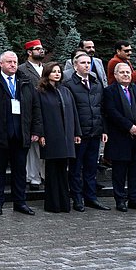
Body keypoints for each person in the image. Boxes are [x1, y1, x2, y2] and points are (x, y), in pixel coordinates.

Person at [0, 51, 41, 216]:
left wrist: (35, 130)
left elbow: (35, 107)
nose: (13, 65)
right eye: (9, 62)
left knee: (20, 171)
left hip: (21, 134)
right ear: (1, 64)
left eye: (15, 62)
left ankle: (20, 202)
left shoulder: (25, 81)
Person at [61, 52, 110, 211]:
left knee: (91, 167)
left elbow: (102, 108)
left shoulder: (96, 83)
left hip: (95, 132)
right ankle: (77, 198)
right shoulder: (69, 84)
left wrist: (103, 129)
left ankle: (91, 197)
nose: (87, 66)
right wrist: (75, 132)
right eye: (83, 63)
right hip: (79, 134)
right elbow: (70, 111)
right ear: (75, 66)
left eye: (89, 63)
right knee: (76, 168)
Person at [102, 62, 136, 212]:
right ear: (116, 75)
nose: (126, 75)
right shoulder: (109, 92)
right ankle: (120, 199)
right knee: (119, 171)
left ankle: (135, 199)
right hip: (120, 137)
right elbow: (111, 112)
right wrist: (129, 126)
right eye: (122, 72)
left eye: (128, 72)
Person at [35, 62, 81, 213]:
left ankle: (64, 202)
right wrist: (40, 133)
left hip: (66, 136)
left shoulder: (65, 90)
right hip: (51, 135)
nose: (57, 74)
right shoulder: (41, 92)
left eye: (59, 71)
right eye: (53, 71)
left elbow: (74, 112)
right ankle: (53, 204)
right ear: (47, 73)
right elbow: (39, 115)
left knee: (63, 169)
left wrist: (76, 133)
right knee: (52, 170)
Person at [18, 39, 46, 191]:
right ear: (29, 52)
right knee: (33, 146)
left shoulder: (47, 68)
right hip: (31, 111)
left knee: (45, 144)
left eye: (42, 49)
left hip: (47, 110)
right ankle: (33, 177)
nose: (41, 51)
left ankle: (44, 175)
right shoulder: (22, 69)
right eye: (37, 49)